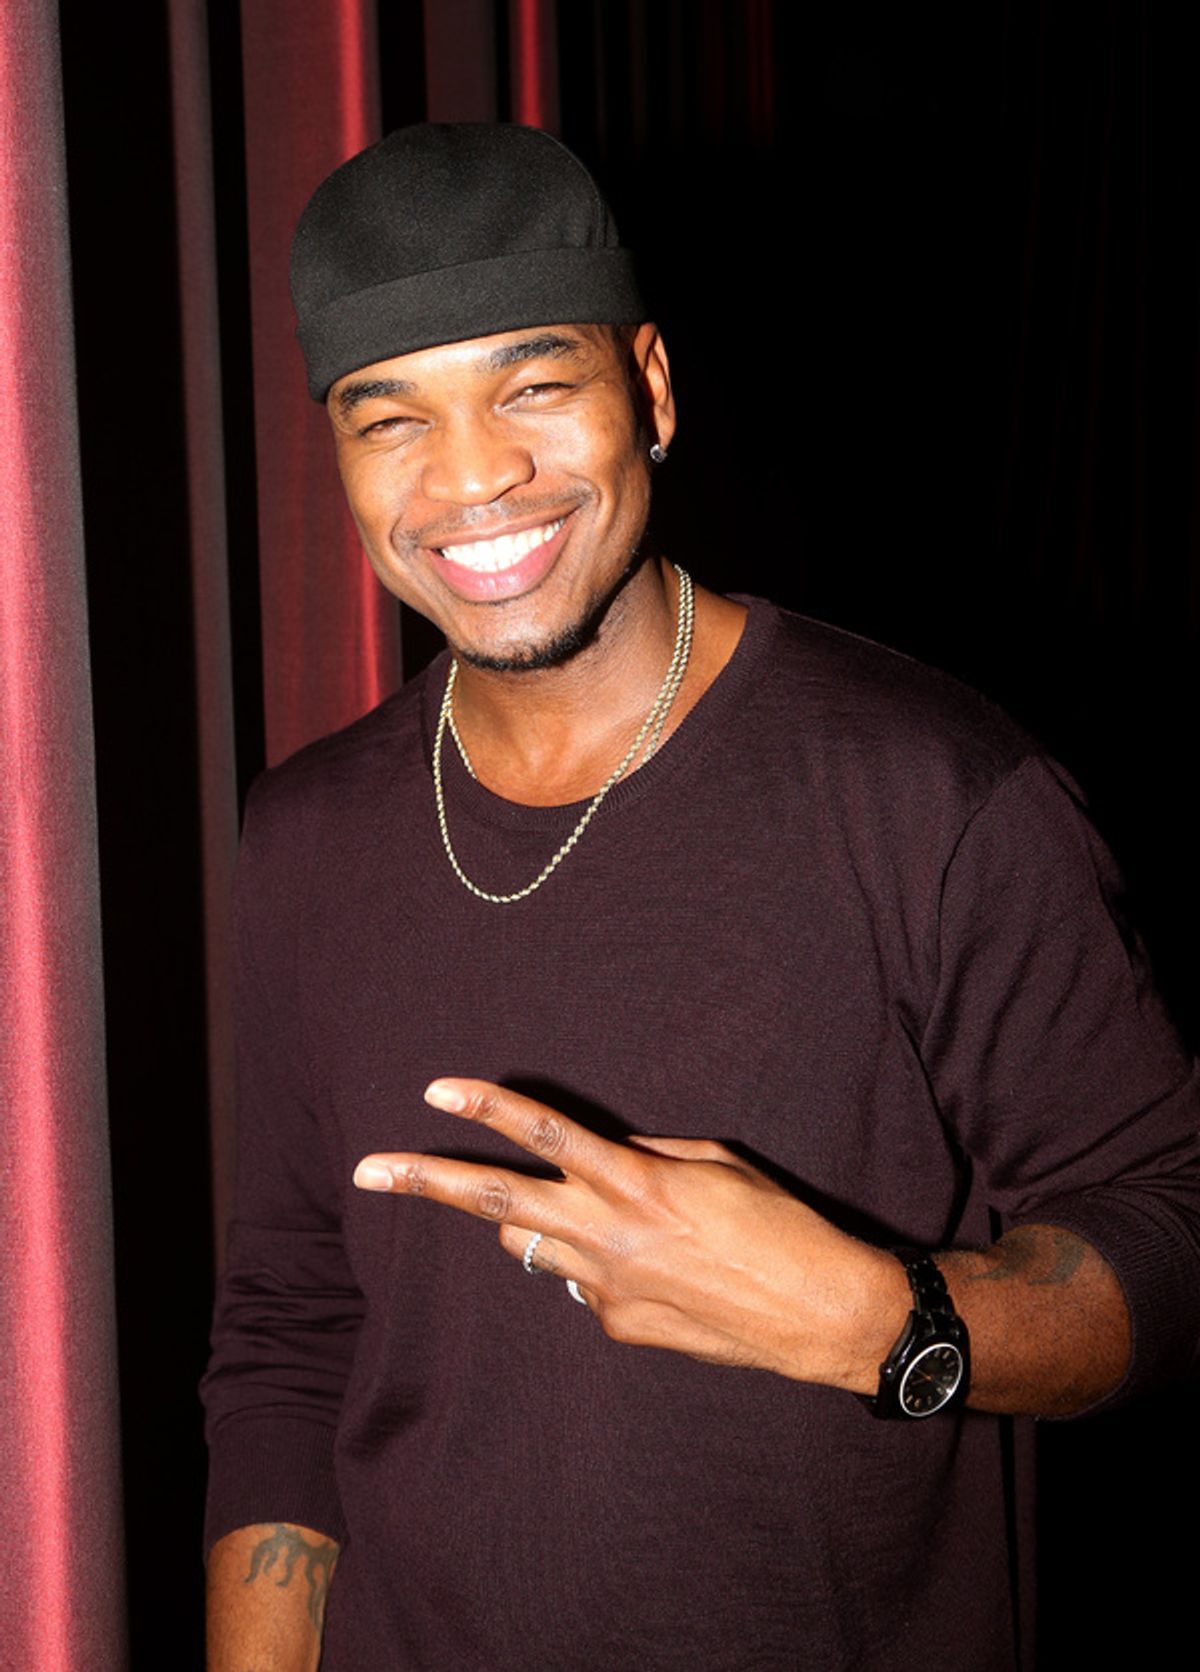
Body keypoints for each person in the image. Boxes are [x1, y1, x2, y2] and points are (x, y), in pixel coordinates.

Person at [202, 123, 1200, 1671]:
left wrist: (883, 1318)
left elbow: (1174, 1242)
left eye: (535, 386)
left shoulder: (935, 792)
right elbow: (286, 1329)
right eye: (387, 417)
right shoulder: (301, 835)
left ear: (651, 390)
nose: (475, 479)